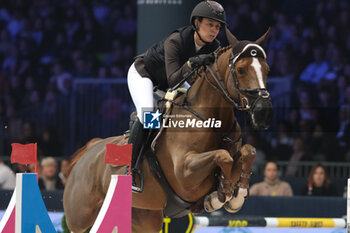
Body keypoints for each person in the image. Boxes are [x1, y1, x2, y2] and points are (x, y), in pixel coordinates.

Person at [127, 1, 227, 189]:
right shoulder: (176, 40)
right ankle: (130, 170)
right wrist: (192, 63)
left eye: (217, 27)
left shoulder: (215, 47)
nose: (214, 30)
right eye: (209, 24)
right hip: (145, 76)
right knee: (149, 115)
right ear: (196, 23)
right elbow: (174, 80)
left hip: (173, 84)